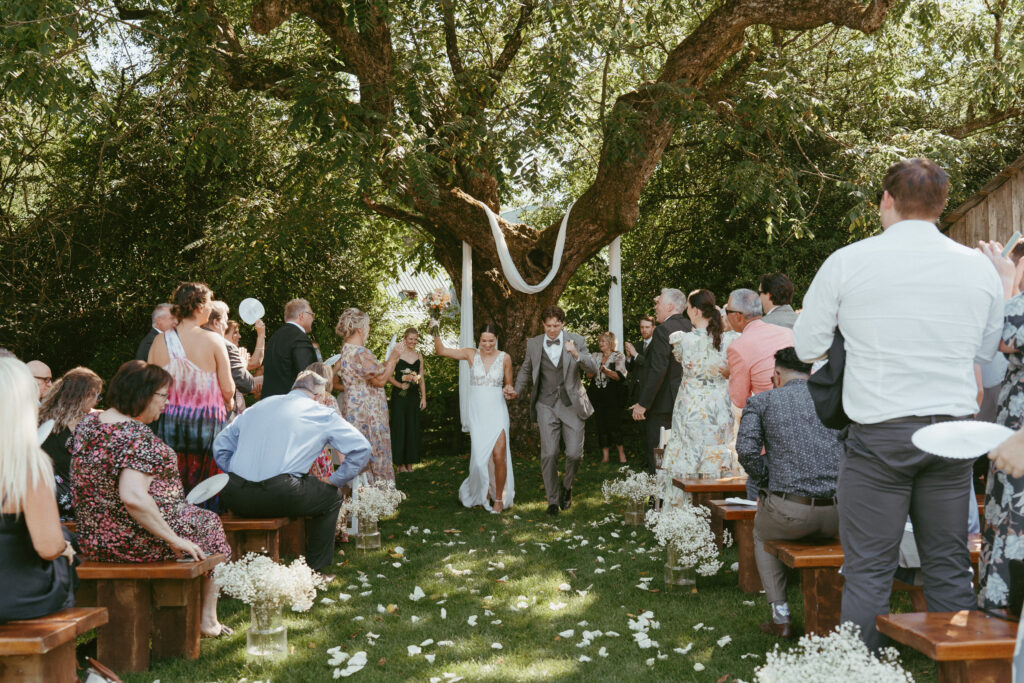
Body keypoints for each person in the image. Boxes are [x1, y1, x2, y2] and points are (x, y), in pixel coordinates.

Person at [794, 158, 1004, 651]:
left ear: (886, 200)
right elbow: (986, 351)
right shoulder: (977, 268)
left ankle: (864, 672)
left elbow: (805, 348)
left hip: (880, 434)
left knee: (869, 568)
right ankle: (961, 674)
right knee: (949, 565)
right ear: (942, 205)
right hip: (952, 435)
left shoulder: (848, 261)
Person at [72, 360, 231, 636]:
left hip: (94, 538)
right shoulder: (137, 436)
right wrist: (174, 539)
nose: (167, 403)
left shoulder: (88, 423)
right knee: (209, 523)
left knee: (200, 521)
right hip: (131, 541)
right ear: (141, 394)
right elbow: (133, 497)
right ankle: (208, 619)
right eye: (163, 396)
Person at [213, 370, 372, 571]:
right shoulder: (320, 412)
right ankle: (315, 569)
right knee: (333, 498)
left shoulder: (258, 407)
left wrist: (234, 472)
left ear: (293, 389)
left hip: (234, 494)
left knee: (299, 486)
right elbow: (362, 448)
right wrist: (335, 479)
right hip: (280, 493)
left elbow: (219, 446)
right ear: (318, 396)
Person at [736, 347, 843, 639]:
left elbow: (745, 450)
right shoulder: (834, 401)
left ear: (777, 374)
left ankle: (780, 614)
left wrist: (766, 480)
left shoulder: (763, 401)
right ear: (810, 372)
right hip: (840, 514)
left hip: (789, 513)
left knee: (760, 532)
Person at [0, 357, 78, 621]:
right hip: (16, 596)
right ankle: (68, 658)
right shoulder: (26, 466)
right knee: (67, 553)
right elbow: (47, 546)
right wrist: (63, 546)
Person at [148, 282, 235, 507]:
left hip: (168, 422)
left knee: (171, 481)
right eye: (208, 303)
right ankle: (204, 530)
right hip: (206, 425)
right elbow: (227, 387)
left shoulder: (160, 340)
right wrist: (229, 404)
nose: (209, 309)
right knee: (206, 485)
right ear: (198, 307)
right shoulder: (213, 339)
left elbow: (148, 384)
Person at [513, 305, 598, 516]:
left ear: (562, 324)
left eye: (556, 325)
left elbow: (593, 369)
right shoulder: (533, 344)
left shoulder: (576, 340)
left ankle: (567, 486)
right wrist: (515, 391)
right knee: (549, 454)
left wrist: (576, 354)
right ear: (543, 324)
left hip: (571, 404)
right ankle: (552, 501)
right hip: (545, 404)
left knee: (575, 454)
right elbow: (526, 369)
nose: (552, 330)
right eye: (548, 325)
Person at [659, 290, 738, 506]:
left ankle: (682, 511)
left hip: (690, 407)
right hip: (719, 407)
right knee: (715, 451)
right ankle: (715, 511)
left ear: (695, 310)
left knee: (687, 453)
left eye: (688, 309)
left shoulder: (683, 340)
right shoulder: (729, 339)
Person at [433, 321, 516, 513]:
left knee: (499, 456)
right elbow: (441, 351)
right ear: (479, 340)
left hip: (497, 412)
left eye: (491, 341)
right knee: (480, 460)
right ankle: (482, 490)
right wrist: (435, 327)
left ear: (497, 339)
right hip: (478, 415)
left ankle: (498, 499)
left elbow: (510, 387)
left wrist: (510, 391)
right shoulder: (471, 354)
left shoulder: (505, 358)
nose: (487, 345)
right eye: (484, 341)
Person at [334, 308, 401, 483]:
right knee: (374, 451)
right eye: (368, 326)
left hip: (353, 410)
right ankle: (378, 495)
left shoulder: (346, 350)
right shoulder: (360, 352)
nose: (368, 330)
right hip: (369, 412)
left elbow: (374, 373)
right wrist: (393, 358)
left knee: (358, 453)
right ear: (360, 329)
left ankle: (359, 493)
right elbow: (380, 380)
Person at [631, 289, 693, 475]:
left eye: (659, 303)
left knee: (658, 456)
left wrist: (643, 404)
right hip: (686, 401)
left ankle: (658, 501)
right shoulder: (691, 326)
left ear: (670, 306)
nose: (655, 307)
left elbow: (658, 370)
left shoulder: (662, 331)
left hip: (663, 405)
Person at [39, 367, 103, 519]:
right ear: (81, 396)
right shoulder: (87, 423)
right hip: (69, 503)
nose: (97, 400)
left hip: (50, 499)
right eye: (96, 395)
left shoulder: (45, 419)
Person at [205, 302, 263, 419]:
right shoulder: (228, 348)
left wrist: (261, 334)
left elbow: (256, 363)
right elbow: (245, 383)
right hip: (223, 411)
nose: (239, 336)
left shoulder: (198, 342)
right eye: (235, 332)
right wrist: (243, 364)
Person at [262, 299, 319, 398]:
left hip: (270, 401)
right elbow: (307, 376)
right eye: (311, 315)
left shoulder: (275, 337)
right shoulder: (299, 338)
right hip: (290, 403)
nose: (313, 319)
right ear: (302, 315)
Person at [587, 331, 628, 464]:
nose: (600, 344)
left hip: (613, 395)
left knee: (614, 424)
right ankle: (605, 456)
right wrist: (591, 371)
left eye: (603, 341)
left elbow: (619, 377)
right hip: (597, 394)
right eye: (599, 341)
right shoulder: (595, 355)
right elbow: (588, 375)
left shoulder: (618, 356)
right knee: (601, 425)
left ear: (610, 343)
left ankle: (622, 454)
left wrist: (605, 370)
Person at [389, 327, 427, 474]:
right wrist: (400, 385)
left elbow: (421, 378)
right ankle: (399, 465)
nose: (413, 342)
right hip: (399, 397)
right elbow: (388, 375)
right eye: (410, 339)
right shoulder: (397, 354)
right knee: (400, 427)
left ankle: (410, 463)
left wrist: (423, 397)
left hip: (413, 397)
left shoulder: (419, 356)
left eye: (415, 339)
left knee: (412, 427)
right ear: (405, 339)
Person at [305, 361, 343, 483]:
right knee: (324, 490)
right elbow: (338, 430)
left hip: (298, 453)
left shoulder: (300, 396)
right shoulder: (327, 398)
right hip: (318, 453)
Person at [624, 316, 656, 404]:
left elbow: (650, 365)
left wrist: (635, 354)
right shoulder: (637, 345)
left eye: (647, 327)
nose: (644, 330)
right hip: (635, 391)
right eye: (642, 327)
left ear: (653, 328)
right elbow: (629, 369)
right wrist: (629, 357)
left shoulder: (657, 345)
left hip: (649, 390)